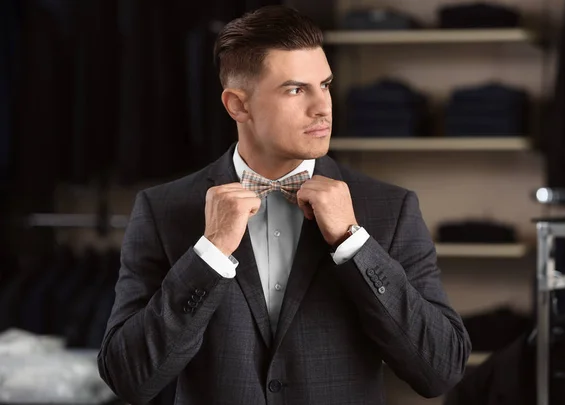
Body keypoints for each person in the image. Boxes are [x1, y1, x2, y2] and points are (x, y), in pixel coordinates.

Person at [97, 5, 471, 405]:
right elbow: (129, 378)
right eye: (296, 89)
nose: (323, 107)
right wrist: (209, 253)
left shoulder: (389, 208)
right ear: (238, 105)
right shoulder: (163, 209)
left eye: (325, 85)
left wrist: (354, 244)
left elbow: (440, 370)